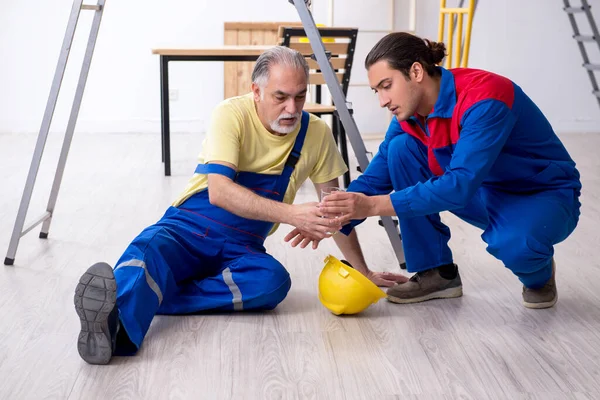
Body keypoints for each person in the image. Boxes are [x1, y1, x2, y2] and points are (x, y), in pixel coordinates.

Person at [73, 46, 407, 365]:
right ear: (257, 91)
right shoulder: (231, 114)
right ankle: (115, 332)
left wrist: (361, 270)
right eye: (281, 97)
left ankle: (142, 300)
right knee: (147, 254)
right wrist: (293, 215)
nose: (292, 108)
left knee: (272, 282)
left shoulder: (316, 135)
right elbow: (219, 192)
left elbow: (334, 212)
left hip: (240, 248)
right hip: (187, 229)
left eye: (300, 96)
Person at [318, 32, 582, 309]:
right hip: (481, 191)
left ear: (416, 71)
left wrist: (372, 206)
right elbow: (377, 176)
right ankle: (436, 272)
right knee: (400, 149)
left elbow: (458, 187)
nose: (382, 100)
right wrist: (332, 217)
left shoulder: (486, 98)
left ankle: (538, 274)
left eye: (387, 85)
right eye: (377, 91)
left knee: (516, 243)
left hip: (540, 194)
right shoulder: (410, 114)